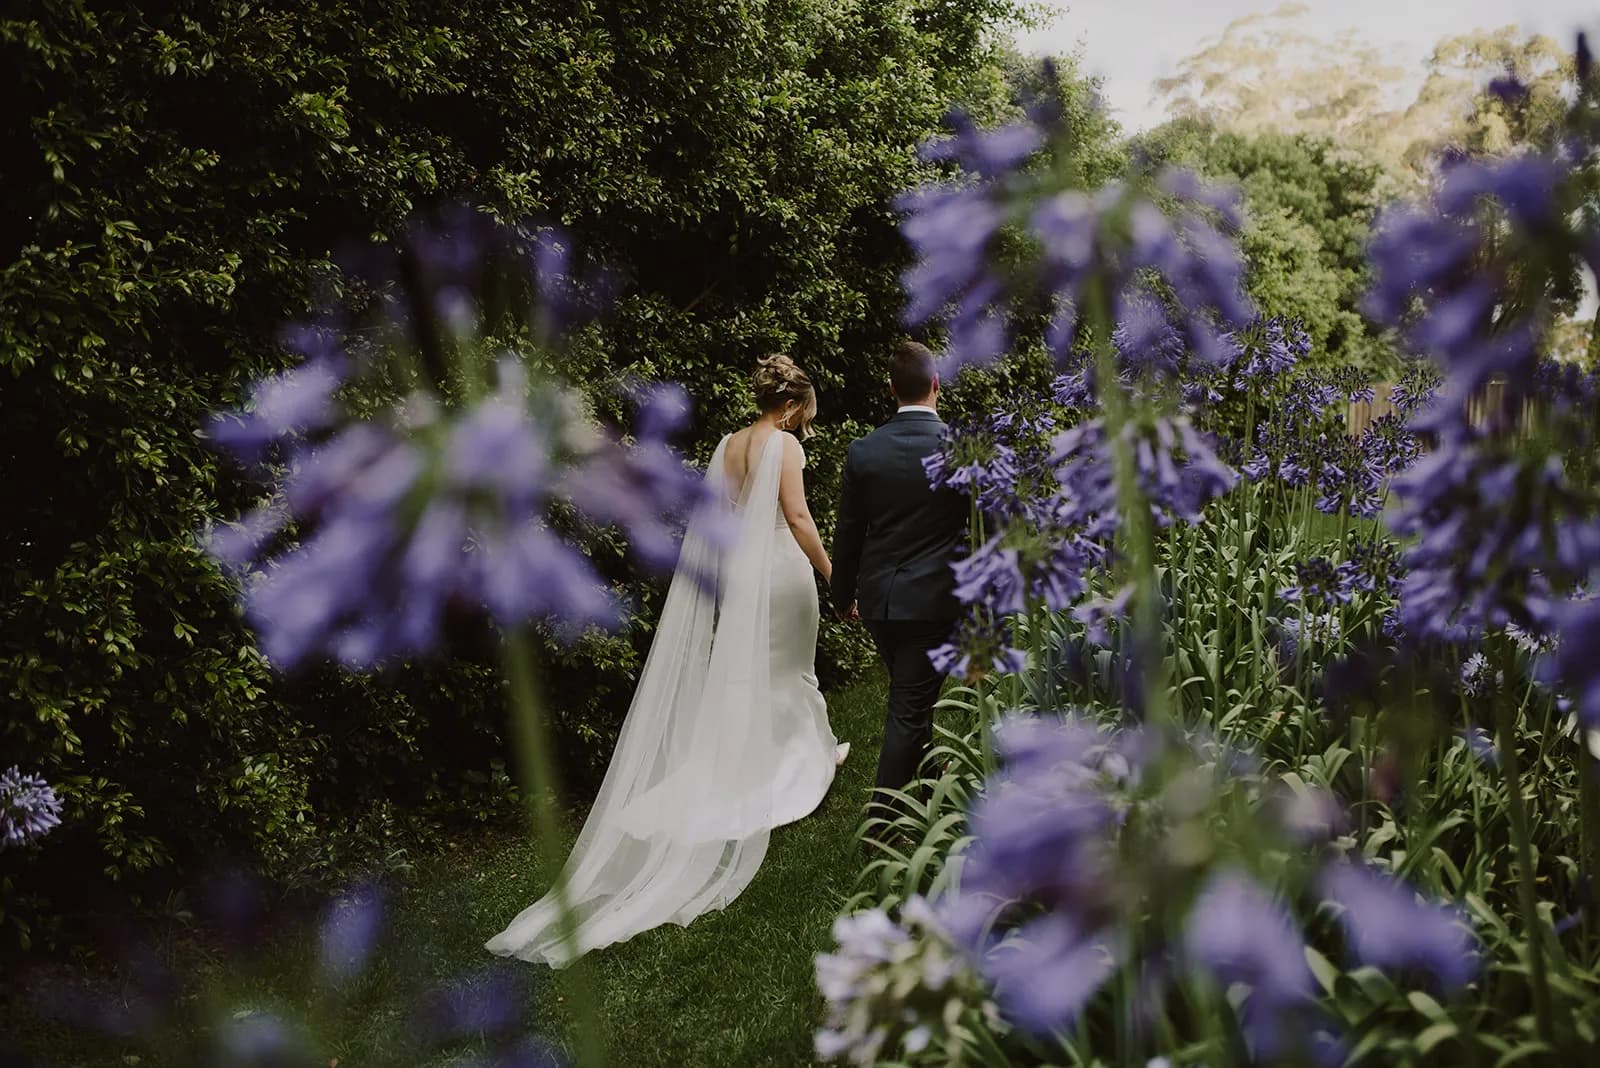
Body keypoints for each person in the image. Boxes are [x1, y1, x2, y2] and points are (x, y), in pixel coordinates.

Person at [486, 354, 848, 966]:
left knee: (757, 673)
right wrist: (833, 573)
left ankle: (772, 753)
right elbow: (798, 515)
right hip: (782, 569)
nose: (805, 424)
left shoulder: (728, 445)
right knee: (792, 668)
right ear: (791, 405)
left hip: (740, 571)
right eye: (805, 414)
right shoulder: (785, 447)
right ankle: (797, 761)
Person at [830, 340, 967, 815]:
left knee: (913, 694)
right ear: (936, 384)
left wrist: (841, 595)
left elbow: (848, 534)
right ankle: (881, 824)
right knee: (908, 707)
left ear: (891, 389)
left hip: (878, 603)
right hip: (932, 603)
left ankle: (930, 784)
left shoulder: (864, 451)